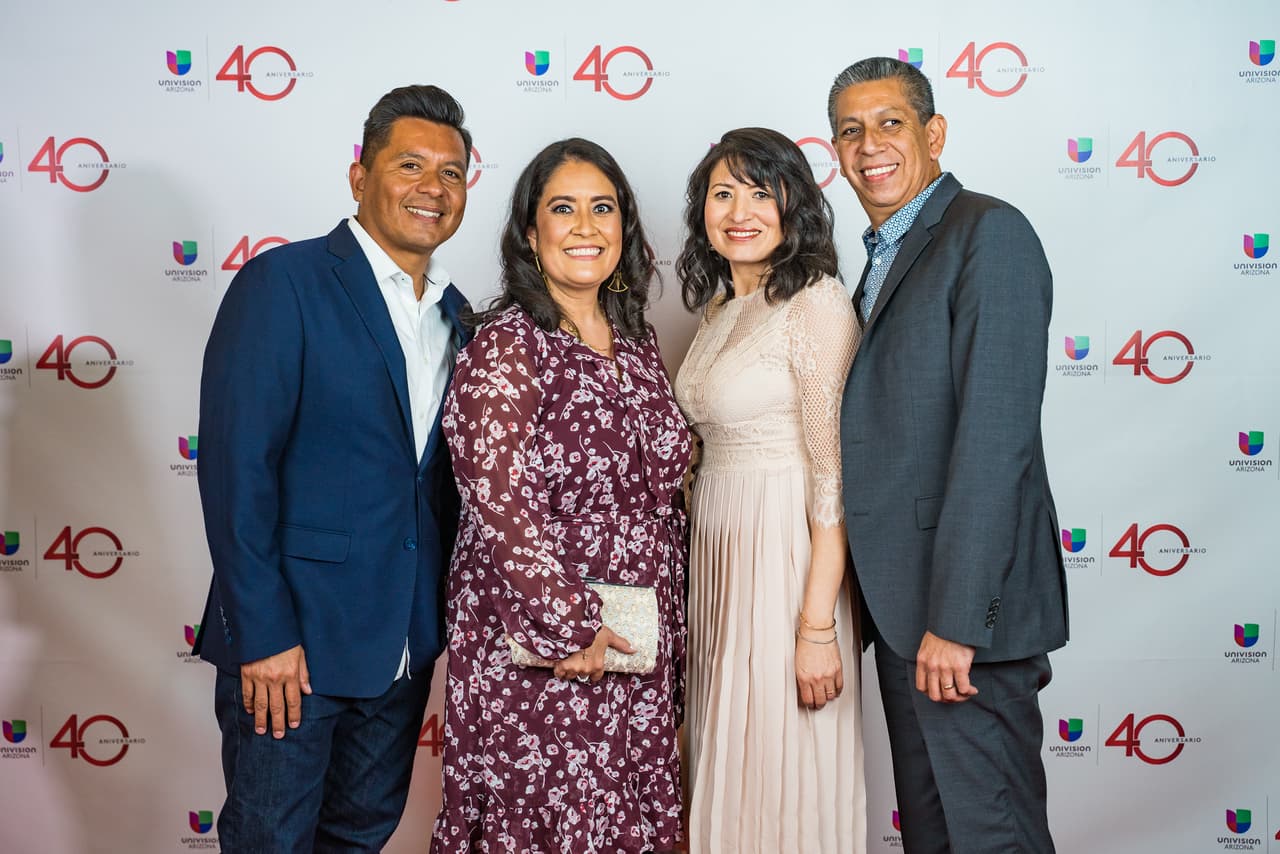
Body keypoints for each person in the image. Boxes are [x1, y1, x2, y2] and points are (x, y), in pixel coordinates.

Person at [194, 84, 473, 851]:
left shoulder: (460, 317)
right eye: (410, 164)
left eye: (451, 173)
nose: (433, 187)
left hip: (402, 650)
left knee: (358, 838)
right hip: (295, 650)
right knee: (271, 840)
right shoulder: (284, 284)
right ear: (359, 176)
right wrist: (263, 635)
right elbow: (236, 471)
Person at [829, 57, 1068, 853]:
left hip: (960, 627)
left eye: (889, 123)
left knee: (989, 837)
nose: (870, 147)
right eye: (850, 131)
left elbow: (996, 443)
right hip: (906, 618)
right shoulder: (887, 253)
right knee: (935, 838)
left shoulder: (986, 233)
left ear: (933, 133)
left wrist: (959, 623)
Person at [430, 138, 692, 854]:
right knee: (550, 823)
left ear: (625, 228)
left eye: (602, 208)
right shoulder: (507, 345)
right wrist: (570, 626)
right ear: (529, 232)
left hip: (636, 638)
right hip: (545, 648)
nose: (585, 226)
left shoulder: (634, 341)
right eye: (563, 209)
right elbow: (501, 504)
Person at [674, 127, 864, 853]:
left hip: (785, 558)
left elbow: (833, 478)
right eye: (723, 193)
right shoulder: (722, 311)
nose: (739, 210)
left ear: (795, 205)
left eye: (760, 191)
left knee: (781, 759)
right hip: (722, 555)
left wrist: (816, 628)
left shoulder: (816, 302)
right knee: (729, 752)